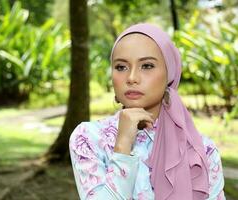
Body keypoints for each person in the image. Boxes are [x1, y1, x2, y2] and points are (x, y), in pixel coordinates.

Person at [69, 23, 225, 200]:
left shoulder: (202, 151)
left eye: (147, 66)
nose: (132, 78)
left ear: (170, 73)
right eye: (121, 67)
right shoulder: (89, 138)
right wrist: (123, 146)